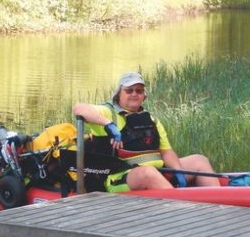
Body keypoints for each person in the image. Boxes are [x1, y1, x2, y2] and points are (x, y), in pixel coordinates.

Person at [72, 71, 220, 192]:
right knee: (148, 173)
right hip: (120, 177)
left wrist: (178, 171)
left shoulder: (151, 120)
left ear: (144, 96)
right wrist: (108, 125)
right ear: (119, 94)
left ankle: (221, 202)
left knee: (199, 160)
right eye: (129, 90)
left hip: (158, 171)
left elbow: (166, 151)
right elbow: (79, 108)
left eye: (139, 91)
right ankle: (180, 205)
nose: (134, 94)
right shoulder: (107, 112)